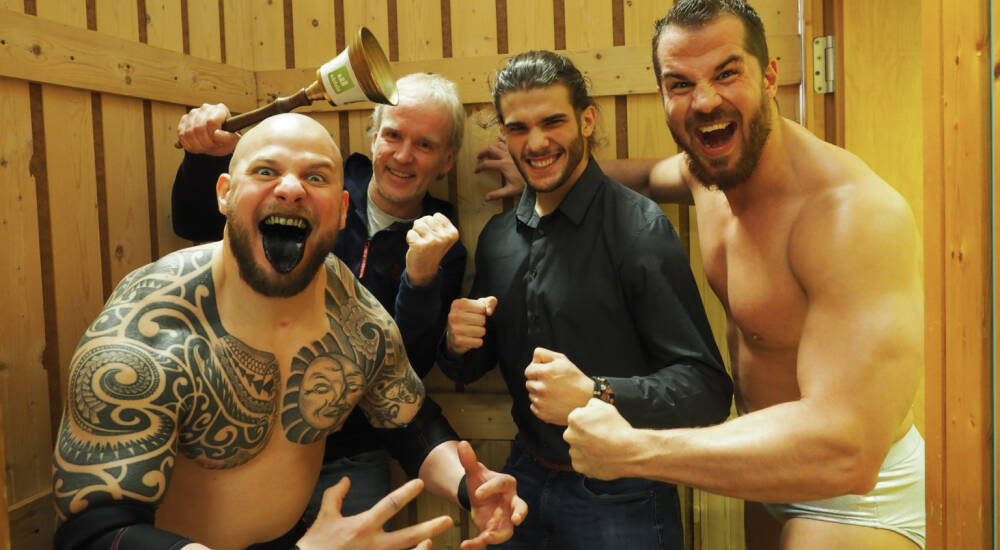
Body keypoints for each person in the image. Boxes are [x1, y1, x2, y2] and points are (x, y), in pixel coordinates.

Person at [52, 113, 526, 550]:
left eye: (316, 177)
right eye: (266, 171)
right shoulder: (150, 330)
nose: (292, 189)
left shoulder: (351, 311)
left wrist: (470, 486)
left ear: (342, 210)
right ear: (224, 194)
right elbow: (95, 533)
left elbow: (408, 420)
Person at [559, 2, 926, 549]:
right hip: (771, 471)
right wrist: (554, 172)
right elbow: (648, 175)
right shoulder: (707, 172)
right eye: (681, 84)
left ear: (770, 76)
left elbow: (848, 447)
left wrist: (634, 451)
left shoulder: (852, 217)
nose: (705, 100)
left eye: (727, 73)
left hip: (856, 493)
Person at [438, 50, 733, 549]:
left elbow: (706, 391)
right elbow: (470, 367)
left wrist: (596, 392)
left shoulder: (638, 229)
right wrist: (455, 341)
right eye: (518, 128)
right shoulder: (498, 238)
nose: (536, 143)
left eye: (552, 122)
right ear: (504, 135)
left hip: (624, 491)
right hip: (522, 483)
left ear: (587, 120)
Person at [171, 73, 474, 527]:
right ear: (374, 137)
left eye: (425, 145)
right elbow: (198, 225)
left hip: (353, 454)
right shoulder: (315, 192)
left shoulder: (445, 244)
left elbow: (402, 370)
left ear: (447, 161)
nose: (403, 155)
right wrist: (202, 156)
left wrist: (421, 278)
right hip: (249, 442)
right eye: (393, 135)